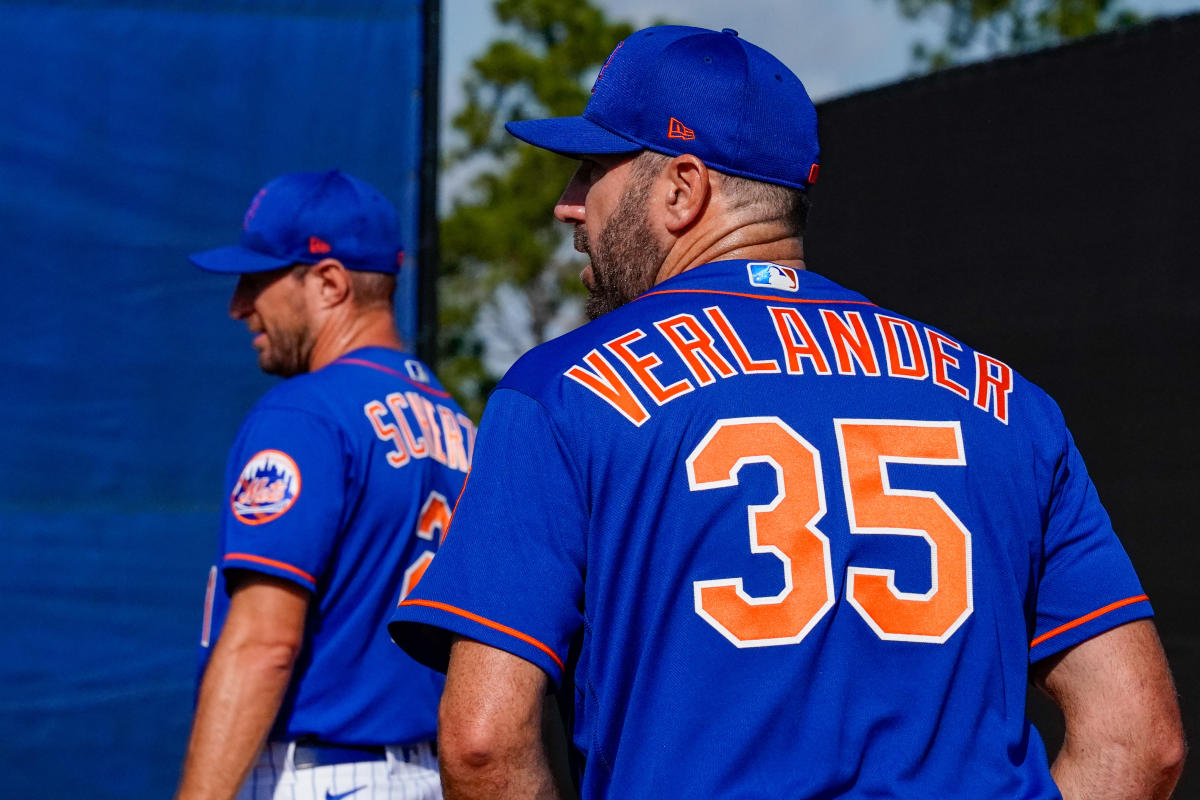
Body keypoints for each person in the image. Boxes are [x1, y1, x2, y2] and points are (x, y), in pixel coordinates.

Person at [387, 25, 1185, 800]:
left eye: (592, 168)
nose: (569, 206)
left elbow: (483, 741)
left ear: (682, 189)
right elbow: (1140, 741)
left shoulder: (563, 393)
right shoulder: (1010, 403)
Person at [177, 169, 473, 800]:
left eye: (258, 279)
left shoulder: (305, 414)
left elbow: (264, 645)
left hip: (320, 775)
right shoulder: (459, 425)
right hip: (427, 775)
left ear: (330, 282)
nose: (238, 305)